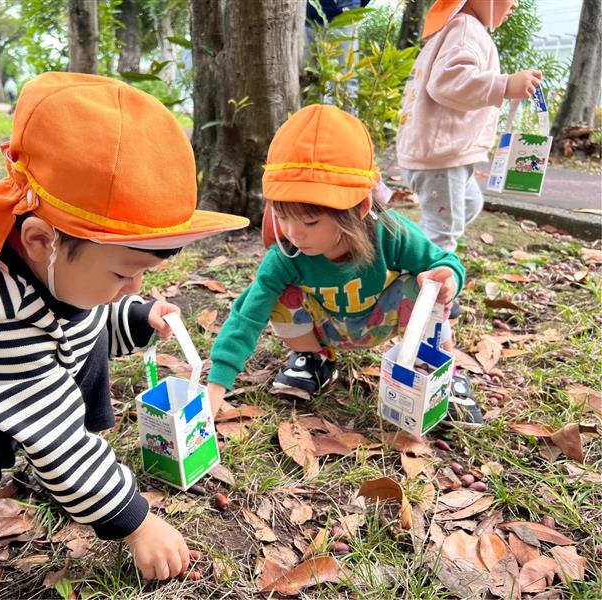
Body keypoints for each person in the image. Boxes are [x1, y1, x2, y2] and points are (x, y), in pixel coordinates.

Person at [0, 72, 249, 600]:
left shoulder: (47, 265)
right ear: (42, 241)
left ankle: (76, 472)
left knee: (89, 334)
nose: (135, 285)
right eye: (123, 272)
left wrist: (132, 316)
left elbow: (73, 320)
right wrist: (135, 522)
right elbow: (53, 430)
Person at [206, 104, 483, 426]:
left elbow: (444, 261)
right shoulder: (287, 254)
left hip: (380, 317)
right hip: (326, 327)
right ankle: (314, 360)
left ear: (360, 208)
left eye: (310, 221)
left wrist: (447, 279)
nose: (294, 234)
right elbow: (247, 316)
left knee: (425, 288)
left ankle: (441, 376)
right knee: (278, 295)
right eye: (282, 217)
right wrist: (217, 385)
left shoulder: (390, 233)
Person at [396, 0, 541, 316]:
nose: (515, 4)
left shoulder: (458, 27)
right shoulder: (465, 28)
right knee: (445, 230)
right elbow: (447, 82)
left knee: (468, 205)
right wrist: (504, 84)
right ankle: (432, 296)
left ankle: (412, 256)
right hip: (441, 159)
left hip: (444, 155)